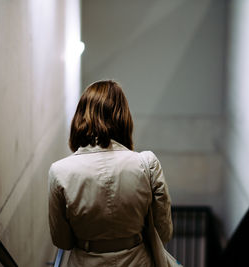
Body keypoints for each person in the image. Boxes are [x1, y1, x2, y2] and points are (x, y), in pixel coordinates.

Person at [48, 80, 173, 266]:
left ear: (79, 117)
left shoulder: (60, 171)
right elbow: (163, 231)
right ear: (123, 118)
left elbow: (62, 241)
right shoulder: (147, 164)